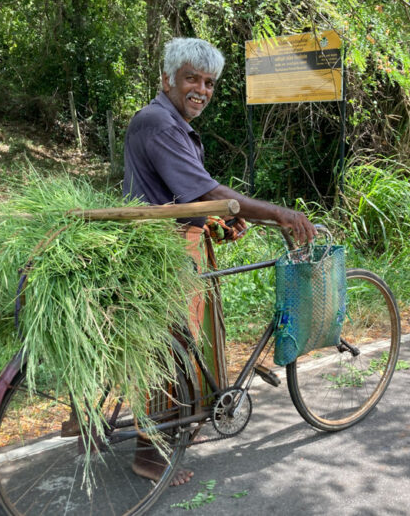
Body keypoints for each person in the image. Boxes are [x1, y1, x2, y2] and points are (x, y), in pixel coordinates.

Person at [123, 37, 317, 486]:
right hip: (166, 253)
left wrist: (215, 221)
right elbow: (209, 194)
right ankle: (149, 453)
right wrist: (278, 213)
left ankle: (178, 425)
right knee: (170, 348)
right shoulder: (160, 123)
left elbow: (183, 195)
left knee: (183, 346)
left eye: (209, 83)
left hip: (178, 242)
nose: (201, 90)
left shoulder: (167, 122)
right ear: (167, 79)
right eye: (192, 78)